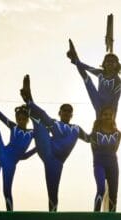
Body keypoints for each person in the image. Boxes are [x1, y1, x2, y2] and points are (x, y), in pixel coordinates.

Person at [20, 74, 91, 211]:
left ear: (71, 115)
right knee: (39, 120)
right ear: (60, 112)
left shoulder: (76, 129)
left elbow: (88, 139)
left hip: (56, 162)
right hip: (47, 150)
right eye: (64, 111)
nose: (66, 113)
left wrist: (101, 126)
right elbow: (43, 115)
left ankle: (52, 214)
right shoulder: (55, 123)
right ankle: (29, 99)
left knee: (53, 193)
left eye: (69, 111)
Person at [0, 84, 36, 211]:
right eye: (19, 119)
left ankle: (10, 214)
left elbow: (24, 156)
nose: (21, 121)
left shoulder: (32, 133)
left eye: (23, 119)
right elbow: (1, 116)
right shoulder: (14, 127)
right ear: (16, 119)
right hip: (2, 152)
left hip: (10, 164)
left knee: (6, 191)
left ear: (27, 120)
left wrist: (36, 149)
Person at [67, 39, 121, 117]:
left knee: (103, 116)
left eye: (113, 62)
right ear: (104, 63)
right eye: (108, 61)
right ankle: (75, 58)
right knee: (87, 80)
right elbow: (87, 68)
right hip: (97, 99)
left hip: (109, 104)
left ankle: (75, 59)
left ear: (116, 65)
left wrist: (113, 114)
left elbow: (116, 98)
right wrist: (76, 61)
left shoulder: (117, 80)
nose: (110, 63)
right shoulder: (100, 73)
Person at [89, 107, 121, 212]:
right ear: (101, 116)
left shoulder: (118, 134)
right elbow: (94, 151)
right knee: (101, 189)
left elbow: (115, 149)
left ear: (113, 117)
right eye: (105, 114)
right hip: (99, 164)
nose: (108, 116)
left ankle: (112, 216)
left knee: (113, 193)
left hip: (113, 165)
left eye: (110, 115)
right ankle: (96, 214)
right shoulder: (94, 134)